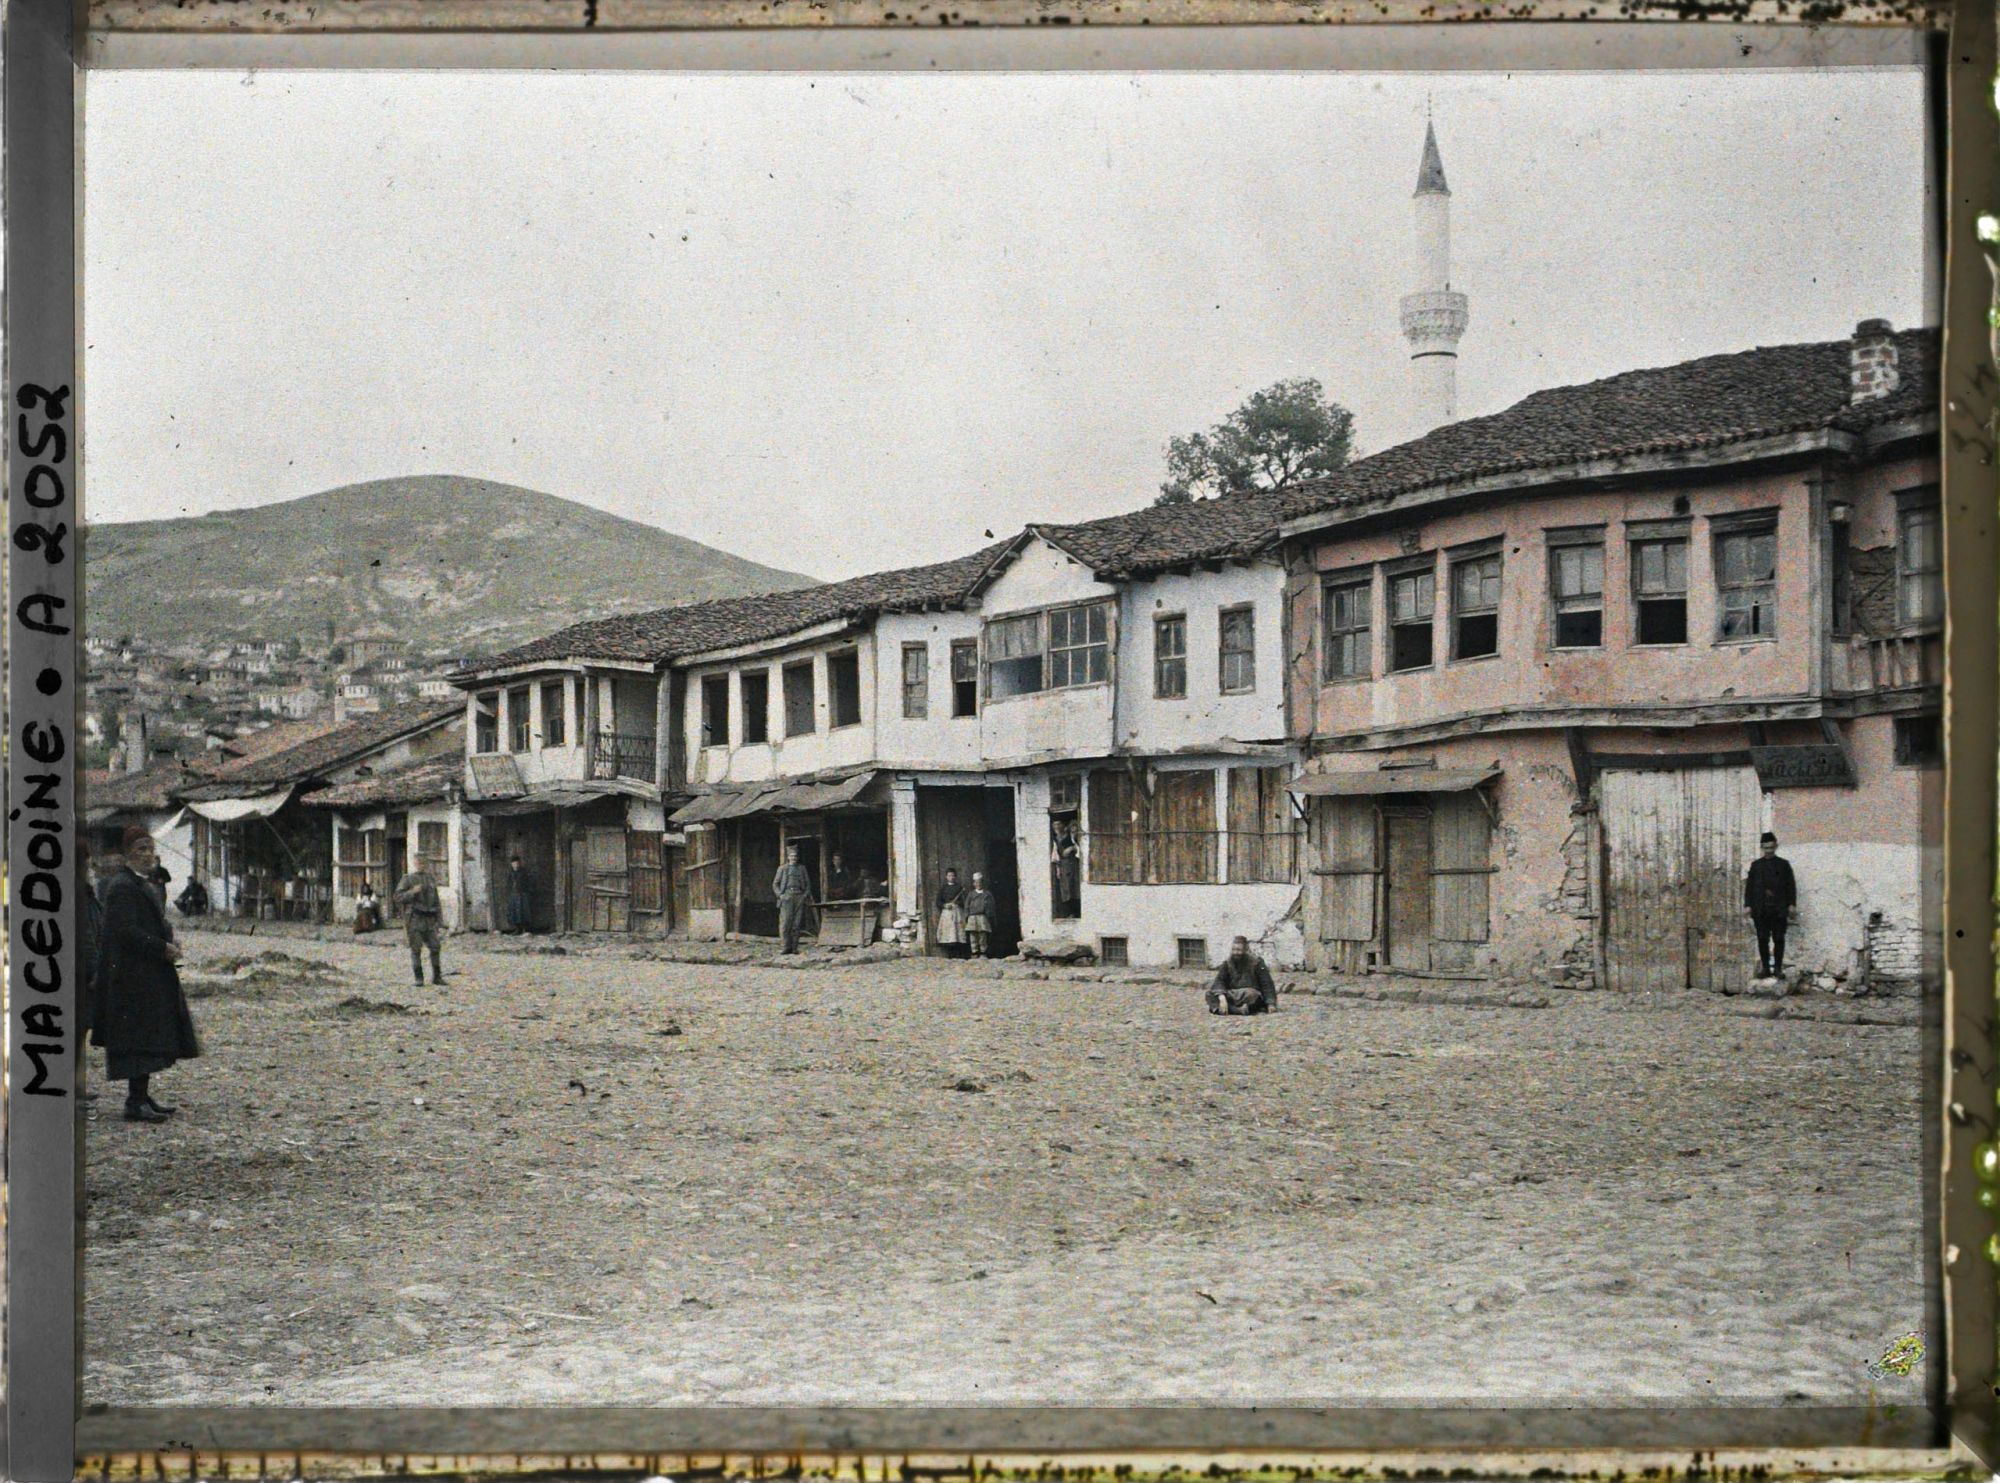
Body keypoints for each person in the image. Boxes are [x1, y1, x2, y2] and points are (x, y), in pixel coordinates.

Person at [93, 826, 200, 1124]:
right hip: (130, 978)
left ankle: (142, 1096)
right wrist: (161, 948)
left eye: (149, 848)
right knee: (137, 1040)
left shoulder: (140, 884)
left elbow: (150, 923)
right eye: (140, 849)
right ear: (128, 854)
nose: (147, 855)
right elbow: (126, 932)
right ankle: (135, 1101)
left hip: (145, 976)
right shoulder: (122, 887)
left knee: (149, 1037)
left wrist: (168, 940)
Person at [1745, 831, 1798, 980]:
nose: (1768, 850)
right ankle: (1766, 968)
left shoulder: (1784, 865)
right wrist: (1748, 905)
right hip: (1760, 909)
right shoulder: (1756, 866)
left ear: (1776, 847)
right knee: (1762, 939)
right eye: (1765, 847)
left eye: (1771, 847)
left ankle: (1778, 969)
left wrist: (1792, 904)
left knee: (1779, 938)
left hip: (1779, 908)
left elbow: (1791, 885)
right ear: (1762, 848)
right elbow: (1749, 887)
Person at [394, 865, 446, 986]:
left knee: (435, 947)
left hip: (430, 920)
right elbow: (397, 897)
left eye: (424, 862)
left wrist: (440, 921)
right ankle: (419, 978)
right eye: (419, 862)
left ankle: (437, 977)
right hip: (415, 920)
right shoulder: (408, 879)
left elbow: (436, 901)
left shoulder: (430, 879)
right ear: (415, 863)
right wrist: (412, 892)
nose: (421, 865)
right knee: (416, 949)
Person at [1205, 935, 1278, 1016]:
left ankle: (1225, 1009)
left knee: (1253, 994)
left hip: (1250, 996)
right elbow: (1219, 981)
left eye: (1239, 950)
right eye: (1234, 950)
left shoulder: (1257, 962)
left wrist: (1271, 1003)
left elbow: (1267, 984)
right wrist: (1222, 997)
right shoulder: (1227, 963)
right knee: (1210, 994)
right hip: (1234, 995)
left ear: (1245, 950)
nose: (1236, 952)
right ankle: (1238, 1010)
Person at [773, 842, 814, 954]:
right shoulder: (782, 868)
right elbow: (775, 884)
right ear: (788, 857)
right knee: (786, 923)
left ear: (797, 857)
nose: (793, 858)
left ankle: (795, 948)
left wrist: (804, 895)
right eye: (791, 856)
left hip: (799, 897)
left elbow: (808, 884)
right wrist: (780, 895)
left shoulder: (802, 868)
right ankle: (786, 947)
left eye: (795, 856)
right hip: (786, 897)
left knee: (797, 923)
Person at [934, 867, 968, 958]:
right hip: (947, 913)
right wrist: (944, 905)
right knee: (948, 932)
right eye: (949, 875)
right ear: (946, 877)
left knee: (957, 932)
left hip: (957, 913)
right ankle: (950, 954)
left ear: (955, 877)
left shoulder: (959, 888)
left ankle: (959, 954)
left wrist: (957, 903)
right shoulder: (943, 888)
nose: (951, 877)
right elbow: (938, 902)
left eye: (953, 875)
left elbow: (964, 901)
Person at [962, 872, 997, 959]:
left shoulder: (987, 894)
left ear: (983, 883)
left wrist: (989, 916)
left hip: (982, 917)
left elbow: (991, 906)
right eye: (976, 882)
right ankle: (974, 952)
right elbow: (966, 905)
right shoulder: (971, 894)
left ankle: (983, 952)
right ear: (974, 884)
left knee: (982, 935)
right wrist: (966, 916)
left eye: (980, 882)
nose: (978, 884)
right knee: (973, 935)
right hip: (972, 917)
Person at [1052, 819, 1082, 917]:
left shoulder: (1070, 836)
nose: (1056, 827)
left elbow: (1075, 847)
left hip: (1073, 864)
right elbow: (1060, 854)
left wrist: (1072, 848)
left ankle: (1076, 913)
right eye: (1054, 825)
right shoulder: (1054, 839)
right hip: (1064, 866)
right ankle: (1069, 912)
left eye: (1058, 824)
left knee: (1075, 888)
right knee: (1066, 889)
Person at [504, 853, 533, 934]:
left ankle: (525, 929)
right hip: (514, 894)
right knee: (514, 912)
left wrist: (528, 891)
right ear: (511, 864)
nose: (516, 865)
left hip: (523, 894)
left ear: (519, 863)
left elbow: (529, 882)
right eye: (514, 863)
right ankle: (517, 929)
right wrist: (509, 892)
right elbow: (508, 884)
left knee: (524, 911)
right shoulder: (510, 873)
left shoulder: (524, 872)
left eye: (517, 863)